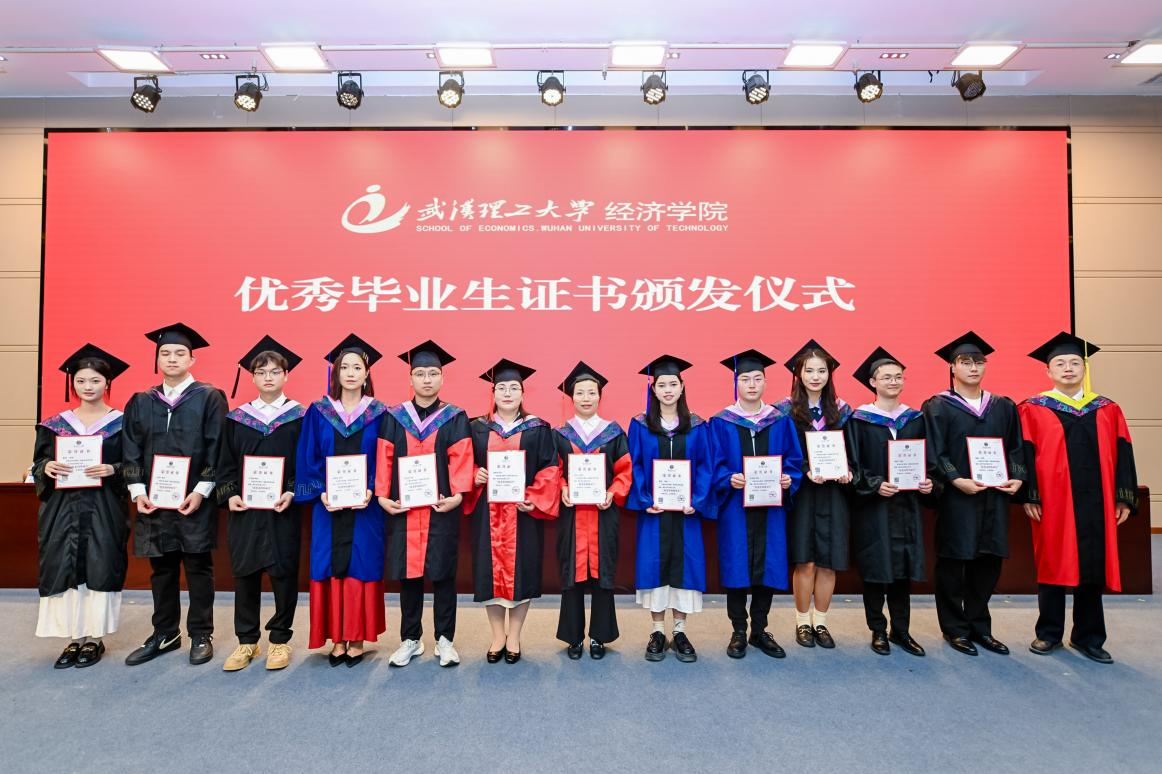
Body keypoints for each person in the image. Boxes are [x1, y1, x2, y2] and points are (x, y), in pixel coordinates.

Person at [1018, 332, 1137, 664]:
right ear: (1048, 371)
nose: (1068, 368)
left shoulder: (1108, 409)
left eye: (1074, 363)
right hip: (1053, 501)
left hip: (1098, 501)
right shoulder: (1032, 408)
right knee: (1052, 561)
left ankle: (1089, 636)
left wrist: (1123, 497)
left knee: (1092, 565)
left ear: (1084, 369)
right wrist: (1030, 495)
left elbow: (1124, 454)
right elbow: (1024, 454)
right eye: (1060, 363)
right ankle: (1049, 633)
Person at [122, 323, 228, 666]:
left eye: (180, 353)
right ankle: (165, 633)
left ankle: (201, 633)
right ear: (157, 359)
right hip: (154, 501)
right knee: (162, 568)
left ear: (192, 359)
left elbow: (217, 447)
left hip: (194, 498)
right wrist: (137, 491)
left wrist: (201, 491)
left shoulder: (209, 397)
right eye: (165, 353)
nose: (172, 358)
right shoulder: (141, 401)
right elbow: (130, 448)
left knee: (198, 566)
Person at [923, 332, 1025, 657]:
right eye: (965, 362)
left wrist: (1017, 477)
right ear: (952, 367)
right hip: (958, 497)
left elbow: (1016, 448)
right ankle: (955, 628)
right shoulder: (938, 406)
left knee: (988, 561)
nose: (973, 367)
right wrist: (956, 479)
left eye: (979, 361)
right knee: (953, 562)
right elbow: (935, 452)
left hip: (995, 497)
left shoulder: (1003, 406)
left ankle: (980, 626)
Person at [375, 340, 473, 668]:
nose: (427, 379)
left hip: (440, 509)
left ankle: (445, 639)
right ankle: (411, 639)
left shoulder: (455, 417)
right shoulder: (394, 417)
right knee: (409, 576)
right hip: (404, 509)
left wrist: (458, 495)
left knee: (443, 574)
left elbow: (461, 458)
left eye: (433, 373)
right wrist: (382, 496)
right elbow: (385, 457)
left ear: (442, 377)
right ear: (410, 378)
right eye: (420, 373)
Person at [33, 344, 131, 668]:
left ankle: (94, 638)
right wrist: (46, 466)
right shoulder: (54, 425)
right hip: (63, 510)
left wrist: (113, 469)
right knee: (63, 565)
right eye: (81, 381)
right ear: (72, 383)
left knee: (101, 564)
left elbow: (135, 466)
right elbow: (38, 463)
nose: (88, 387)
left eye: (95, 380)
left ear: (107, 383)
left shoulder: (123, 424)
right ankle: (73, 638)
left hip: (104, 508)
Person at [295, 334, 388, 667]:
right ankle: (337, 637)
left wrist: (371, 488)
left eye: (357, 367)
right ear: (335, 372)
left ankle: (357, 636)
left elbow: (385, 456)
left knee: (362, 562)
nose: (350, 373)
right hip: (328, 506)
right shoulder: (318, 412)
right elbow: (307, 456)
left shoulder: (380, 413)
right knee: (328, 562)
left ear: (367, 373)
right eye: (344, 367)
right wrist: (321, 490)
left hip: (366, 507)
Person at [216, 336, 306, 672]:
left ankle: (280, 640)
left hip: (283, 509)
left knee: (284, 573)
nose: (268, 377)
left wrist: (293, 491)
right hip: (246, 510)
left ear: (286, 375)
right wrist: (230, 494)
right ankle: (247, 640)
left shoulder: (300, 417)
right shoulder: (237, 418)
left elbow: (306, 465)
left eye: (275, 371)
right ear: (252, 377)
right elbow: (224, 463)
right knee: (245, 574)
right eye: (261, 372)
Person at [462, 359, 561, 664]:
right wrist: (474, 474)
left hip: (522, 514)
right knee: (488, 576)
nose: (507, 393)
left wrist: (534, 497)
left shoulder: (538, 428)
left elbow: (550, 468)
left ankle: (514, 636)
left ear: (522, 393)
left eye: (514, 388)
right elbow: (462, 462)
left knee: (523, 575)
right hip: (487, 515)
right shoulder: (476, 427)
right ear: (493, 392)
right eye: (502, 388)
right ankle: (497, 636)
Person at [708, 349, 802, 659]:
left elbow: (793, 460)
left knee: (768, 566)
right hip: (735, 508)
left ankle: (760, 630)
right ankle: (738, 630)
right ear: (736, 383)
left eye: (757, 379)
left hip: (771, 508)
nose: (751, 384)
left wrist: (789, 479)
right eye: (745, 379)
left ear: (765, 382)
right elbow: (713, 464)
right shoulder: (721, 422)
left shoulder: (780, 420)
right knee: (736, 566)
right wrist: (727, 478)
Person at [846, 347, 935, 657]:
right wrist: (874, 485)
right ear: (873, 382)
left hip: (907, 507)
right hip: (874, 507)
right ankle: (878, 630)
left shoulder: (915, 419)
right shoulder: (858, 420)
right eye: (886, 377)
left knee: (902, 570)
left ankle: (901, 631)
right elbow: (852, 464)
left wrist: (929, 482)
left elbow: (929, 460)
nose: (893, 382)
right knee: (875, 569)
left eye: (898, 377)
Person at [627, 354, 715, 663]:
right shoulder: (640, 425)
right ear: (653, 389)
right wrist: (645, 498)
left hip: (686, 514)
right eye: (661, 385)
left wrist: (697, 500)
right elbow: (635, 464)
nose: (667, 390)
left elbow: (705, 466)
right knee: (654, 566)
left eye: (672, 384)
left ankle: (679, 631)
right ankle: (657, 631)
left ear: (682, 386)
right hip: (655, 512)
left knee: (685, 569)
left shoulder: (698, 426)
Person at [775, 340, 853, 650]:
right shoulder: (783, 412)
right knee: (805, 561)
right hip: (803, 493)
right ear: (798, 374)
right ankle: (802, 622)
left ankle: (821, 622)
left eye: (822, 371)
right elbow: (781, 452)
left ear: (829, 374)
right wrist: (805, 469)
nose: (816, 377)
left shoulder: (843, 411)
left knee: (828, 562)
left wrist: (848, 471)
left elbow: (852, 453)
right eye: (809, 371)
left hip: (834, 493)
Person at [554, 361, 632, 660]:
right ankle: (573, 637)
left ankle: (599, 636)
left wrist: (613, 492)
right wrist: (562, 487)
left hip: (603, 513)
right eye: (580, 393)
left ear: (600, 396)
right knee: (571, 575)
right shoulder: (561, 434)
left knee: (603, 575)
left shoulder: (613, 433)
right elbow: (553, 470)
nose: (586, 398)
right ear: (571, 397)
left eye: (592, 392)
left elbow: (625, 471)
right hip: (572, 515)